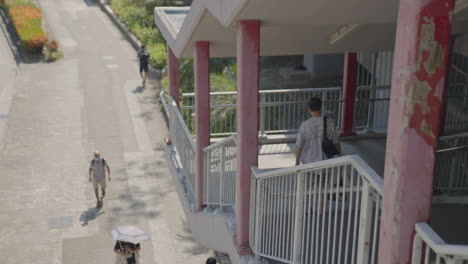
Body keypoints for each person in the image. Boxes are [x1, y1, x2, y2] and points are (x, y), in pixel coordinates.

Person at [295, 97, 341, 166]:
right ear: (321, 107)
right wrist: (339, 157)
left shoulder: (304, 125)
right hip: (327, 162)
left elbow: (299, 146)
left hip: (309, 162)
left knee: (310, 176)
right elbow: (336, 142)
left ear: (309, 109)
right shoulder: (330, 122)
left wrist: (297, 161)